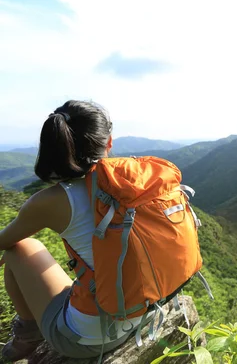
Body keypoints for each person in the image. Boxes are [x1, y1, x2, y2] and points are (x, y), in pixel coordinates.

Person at [0, 100, 141, 361]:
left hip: (91, 337)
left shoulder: (51, 201)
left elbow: (3, 242)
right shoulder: (136, 182)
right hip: (145, 311)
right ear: (109, 142)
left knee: (20, 247)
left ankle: (28, 334)